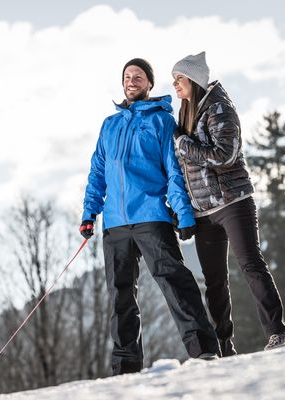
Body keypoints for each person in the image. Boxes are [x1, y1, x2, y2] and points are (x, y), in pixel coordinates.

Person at [80, 57, 220, 375]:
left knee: (173, 280)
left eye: (138, 76)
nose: (132, 80)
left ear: (149, 84)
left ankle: (204, 348)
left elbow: (174, 171)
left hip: (151, 215)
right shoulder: (109, 125)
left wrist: (183, 214)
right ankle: (125, 364)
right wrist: (90, 211)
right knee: (120, 294)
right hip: (115, 222)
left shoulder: (161, 122)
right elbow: (97, 171)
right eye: (127, 76)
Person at [170, 51, 285, 356]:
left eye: (179, 79)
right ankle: (224, 345)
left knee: (251, 265)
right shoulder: (185, 113)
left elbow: (225, 155)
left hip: (233, 202)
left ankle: (277, 332)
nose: (175, 85)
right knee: (214, 281)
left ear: (193, 80)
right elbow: (186, 169)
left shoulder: (219, 108)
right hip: (204, 212)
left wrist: (185, 145)